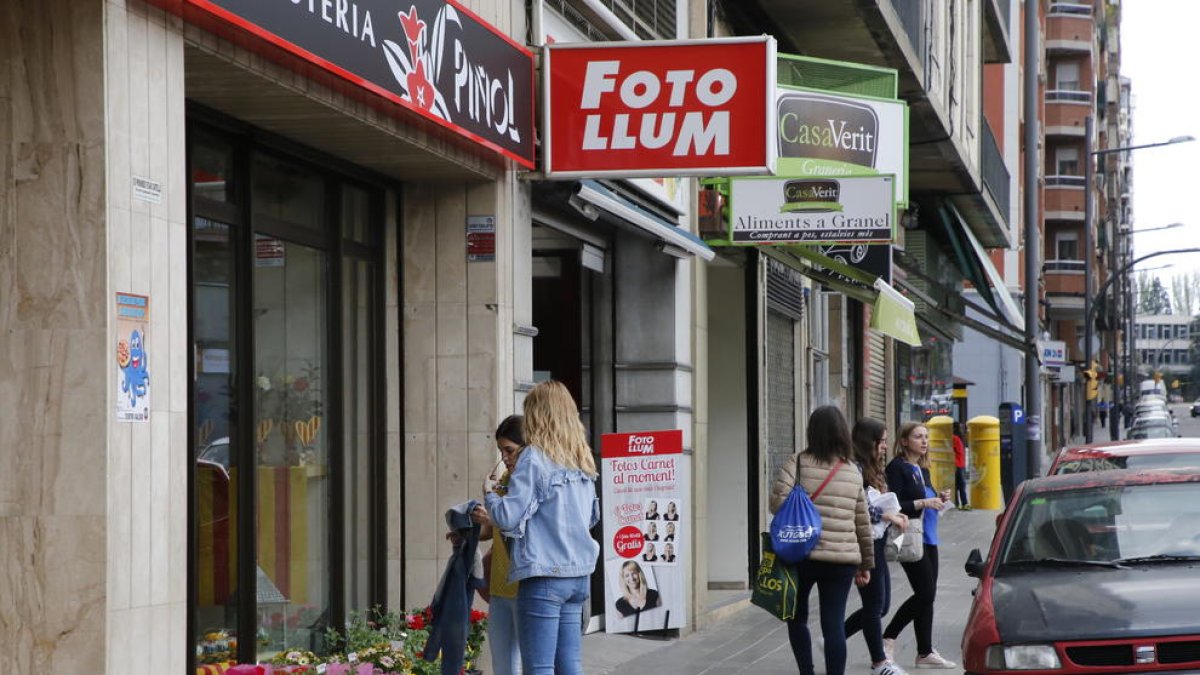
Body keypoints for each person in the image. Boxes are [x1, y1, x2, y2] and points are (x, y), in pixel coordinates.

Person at [478, 380, 600, 675]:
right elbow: (591, 517)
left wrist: (491, 495)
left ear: (536, 414)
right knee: (569, 665)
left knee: (539, 668)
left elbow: (506, 517)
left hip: (544, 574)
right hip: (579, 573)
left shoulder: (534, 457)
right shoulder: (581, 457)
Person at [769, 405, 874, 675]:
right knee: (834, 624)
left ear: (811, 431)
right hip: (841, 559)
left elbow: (776, 503)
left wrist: (800, 503)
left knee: (796, 618)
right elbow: (862, 522)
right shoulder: (852, 470)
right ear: (843, 434)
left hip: (799, 554)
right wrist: (866, 564)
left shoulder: (798, 462)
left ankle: (807, 671)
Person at [882, 422, 957, 669]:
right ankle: (888, 638)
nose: (924, 441)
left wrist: (940, 499)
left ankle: (925, 652)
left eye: (926, 437)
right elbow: (894, 504)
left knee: (928, 597)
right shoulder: (897, 467)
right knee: (925, 593)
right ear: (904, 441)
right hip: (912, 537)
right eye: (918, 437)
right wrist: (924, 502)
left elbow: (925, 498)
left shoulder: (921, 469)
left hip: (930, 536)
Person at [844, 418, 910, 675]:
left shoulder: (872, 467)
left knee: (881, 605)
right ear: (866, 442)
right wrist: (887, 515)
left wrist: (895, 513)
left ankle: (834, 637)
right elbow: (857, 507)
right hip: (865, 540)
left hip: (878, 539)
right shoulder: (855, 469)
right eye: (880, 441)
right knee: (875, 605)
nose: (884, 446)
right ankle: (880, 662)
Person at [469, 415, 524, 675]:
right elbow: (491, 530)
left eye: (510, 450)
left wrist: (492, 511)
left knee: (535, 664)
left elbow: (519, 526)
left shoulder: (530, 483)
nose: (505, 458)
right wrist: (467, 532)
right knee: (503, 665)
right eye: (502, 451)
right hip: (500, 585)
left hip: (527, 587)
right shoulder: (503, 481)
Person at [951, 422, 970, 511]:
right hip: (958, 465)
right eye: (961, 428)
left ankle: (959, 503)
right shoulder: (955, 438)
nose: (962, 430)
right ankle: (963, 503)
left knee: (958, 485)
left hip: (958, 464)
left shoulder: (956, 438)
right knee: (960, 485)